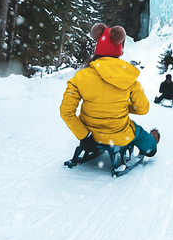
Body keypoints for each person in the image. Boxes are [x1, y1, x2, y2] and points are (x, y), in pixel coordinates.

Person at [60, 23, 160, 158]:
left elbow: (66, 112)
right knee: (139, 133)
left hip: (91, 134)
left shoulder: (80, 77)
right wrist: (122, 104)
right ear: (118, 50)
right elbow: (143, 109)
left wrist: (85, 135)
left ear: (98, 49)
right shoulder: (129, 78)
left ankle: (94, 141)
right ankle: (151, 145)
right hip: (120, 135)